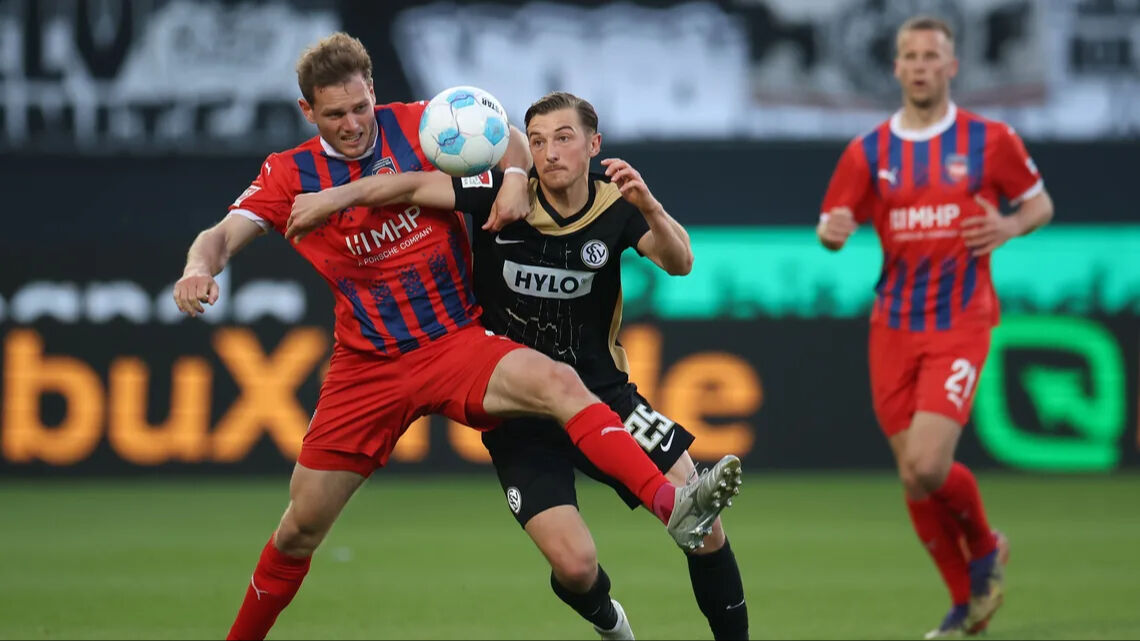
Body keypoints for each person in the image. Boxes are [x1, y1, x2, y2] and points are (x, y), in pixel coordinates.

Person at [172, 33, 743, 641]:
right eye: (336, 114)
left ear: (373, 92)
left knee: (558, 381)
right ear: (307, 111)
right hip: (367, 364)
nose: (354, 124)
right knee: (299, 528)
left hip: (455, 340)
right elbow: (222, 234)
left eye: (361, 107)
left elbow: (509, 135)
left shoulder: (424, 124)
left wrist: (516, 174)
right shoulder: (288, 174)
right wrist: (198, 269)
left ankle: (670, 504)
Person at [816, 16, 1053, 639]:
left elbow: (1039, 203)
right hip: (892, 325)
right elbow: (833, 221)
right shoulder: (869, 151)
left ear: (952, 66)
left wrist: (1008, 226)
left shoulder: (990, 139)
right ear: (896, 67)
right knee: (912, 476)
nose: (920, 66)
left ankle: (985, 547)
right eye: (910, 56)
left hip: (960, 322)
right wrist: (831, 232)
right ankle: (964, 603)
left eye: (931, 56)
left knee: (925, 464)